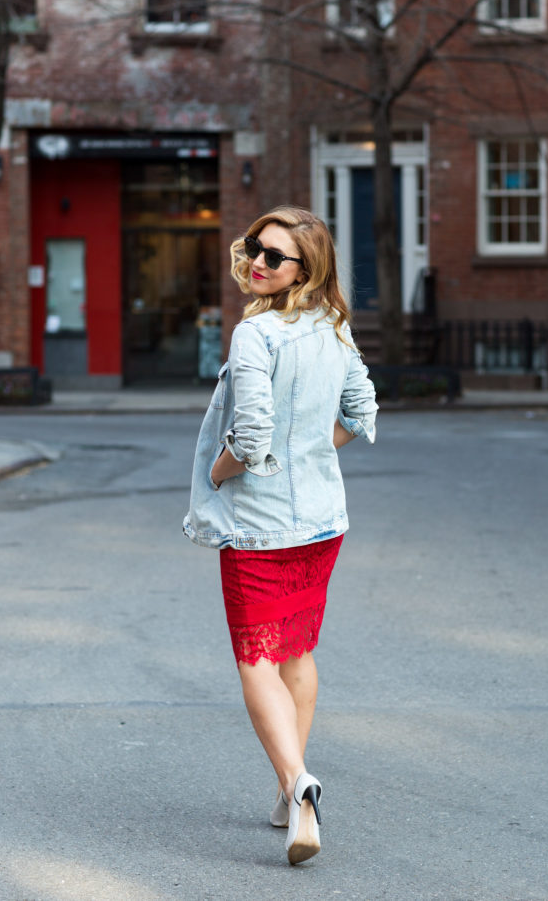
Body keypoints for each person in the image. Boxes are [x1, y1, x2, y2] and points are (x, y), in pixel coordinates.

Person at [183, 206, 377, 865]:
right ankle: (286, 790)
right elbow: (361, 414)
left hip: (259, 526)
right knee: (294, 650)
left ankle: (299, 787)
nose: (260, 263)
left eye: (276, 256)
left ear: (306, 268)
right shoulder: (334, 328)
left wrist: (218, 467)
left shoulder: (256, 333)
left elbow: (253, 437)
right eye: (256, 249)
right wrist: (311, 453)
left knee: (256, 658)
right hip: (322, 522)